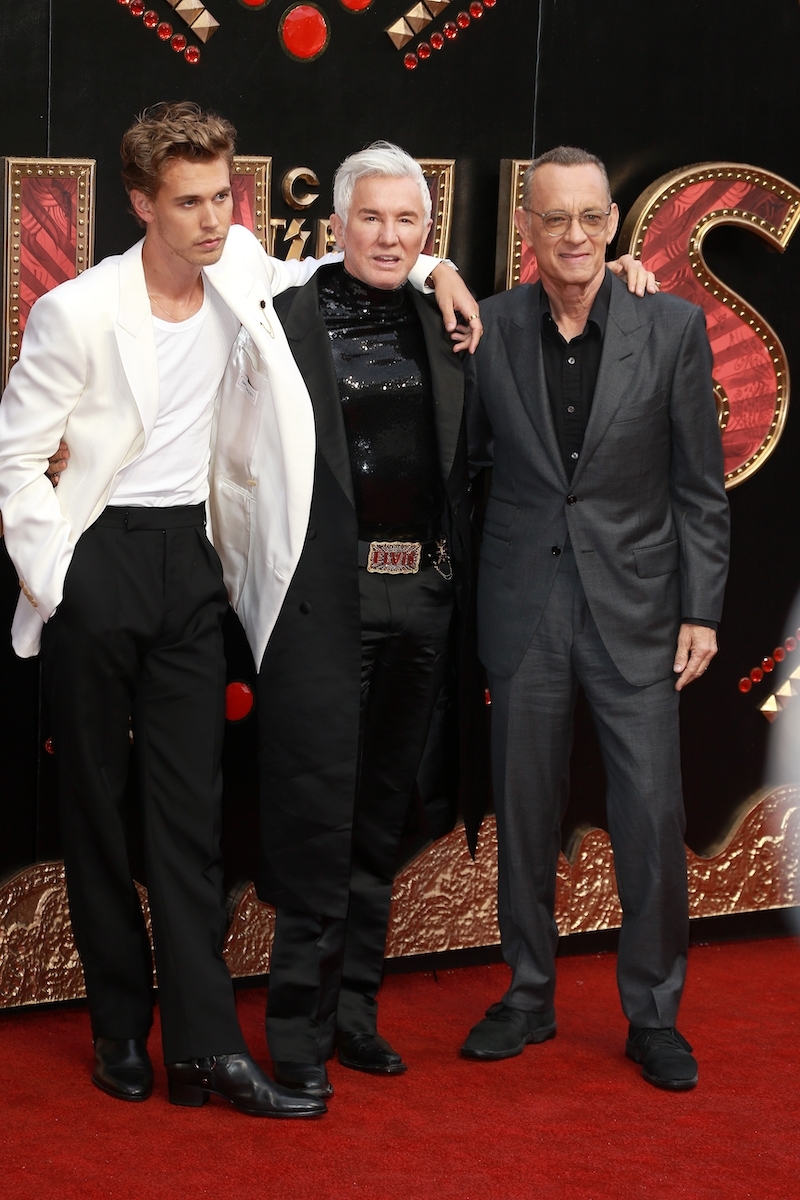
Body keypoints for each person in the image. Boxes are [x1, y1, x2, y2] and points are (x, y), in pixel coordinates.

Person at [0, 104, 473, 1115]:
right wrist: (58, 579)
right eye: (190, 202)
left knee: (190, 824)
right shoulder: (77, 311)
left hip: (193, 565)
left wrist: (435, 269)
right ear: (141, 204)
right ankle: (120, 1030)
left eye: (223, 196)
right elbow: (15, 462)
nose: (214, 218)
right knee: (93, 815)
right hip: (99, 560)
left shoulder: (243, 268)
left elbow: (328, 270)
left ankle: (205, 1049)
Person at [210, 142, 656, 1102]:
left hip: (423, 600)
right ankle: (297, 1036)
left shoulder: (454, 320)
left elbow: (568, 312)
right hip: (319, 598)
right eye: (368, 217)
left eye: (407, 221)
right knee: (314, 818)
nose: (387, 234)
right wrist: (430, 264)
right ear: (335, 224)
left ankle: (354, 1016)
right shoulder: (276, 307)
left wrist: (451, 273)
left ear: (429, 229)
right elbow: (230, 252)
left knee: (380, 817)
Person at [461, 146, 730, 1091]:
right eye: (552, 219)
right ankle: (529, 994)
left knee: (652, 817)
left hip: (639, 610)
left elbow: (701, 487)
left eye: (589, 218)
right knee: (524, 812)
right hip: (523, 607)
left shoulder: (672, 328)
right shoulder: (485, 327)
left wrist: (702, 606)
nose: (572, 236)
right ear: (525, 228)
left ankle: (653, 1013)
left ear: (614, 224)